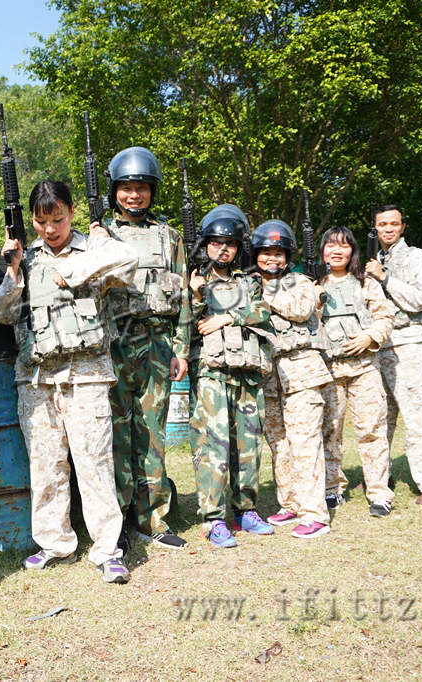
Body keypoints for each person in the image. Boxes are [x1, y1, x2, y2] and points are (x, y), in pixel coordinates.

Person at [0, 181, 137, 582]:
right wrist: (12, 268)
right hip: (37, 380)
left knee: (94, 465)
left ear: (72, 212)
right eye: (41, 222)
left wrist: (82, 260)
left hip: (87, 376)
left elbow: (130, 261)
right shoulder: (24, 255)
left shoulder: (96, 249)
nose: (50, 229)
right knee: (46, 466)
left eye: (57, 219)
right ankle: (54, 543)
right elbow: (4, 315)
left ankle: (108, 549)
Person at [104, 147, 190, 549]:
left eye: (141, 188)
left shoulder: (169, 238)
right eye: (126, 188)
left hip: (157, 343)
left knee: (153, 435)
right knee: (118, 434)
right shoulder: (100, 235)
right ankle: (117, 520)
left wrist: (182, 349)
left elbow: (185, 298)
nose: (133, 196)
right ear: (114, 192)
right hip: (114, 343)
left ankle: (154, 518)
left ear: (151, 191)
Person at [187, 205, 273, 548]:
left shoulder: (249, 282)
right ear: (205, 244)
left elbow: (264, 310)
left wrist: (226, 318)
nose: (223, 248)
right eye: (216, 242)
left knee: (248, 445)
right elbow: (184, 322)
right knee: (214, 446)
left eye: (231, 243)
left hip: (247, 372)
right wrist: (194, 297)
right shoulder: (194, 280)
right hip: (211, 372)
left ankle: (246, 510)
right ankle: (213, 518)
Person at [252, 220, 333, 539]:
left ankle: (315, 513)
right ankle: (291, 504)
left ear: (288, 256)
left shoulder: (300, 282)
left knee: (305, 442)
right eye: (266, 252)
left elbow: (301, 309)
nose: (272, 259)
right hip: (270, 374)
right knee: (279, 444)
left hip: (302, 370)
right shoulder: (248, 284)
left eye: (278, 253)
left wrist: (261, 294)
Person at [365, 206, 422, 506]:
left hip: (408, 342)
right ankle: (378, 477)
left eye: (394, 224)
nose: (388, 229)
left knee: (416, 414)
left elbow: (419, 299)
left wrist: (384, 277)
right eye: (382, 224)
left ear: (403, 226)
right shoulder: (372, 259)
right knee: (379, 418)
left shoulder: (417, 258)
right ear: (375, 228)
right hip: (378, 346)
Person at [316, 227, 396, 517]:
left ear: (353, 251)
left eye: (344, 246)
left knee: (372, 429)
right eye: (331, 245)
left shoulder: (366, 282)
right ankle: (332, 488)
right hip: (328, 369)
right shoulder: (311, 283)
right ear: (322, 249)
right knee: (329, 430)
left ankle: (378, 492)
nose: (337, 251)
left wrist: (370, 337)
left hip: (364, 367)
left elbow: (386, 317)